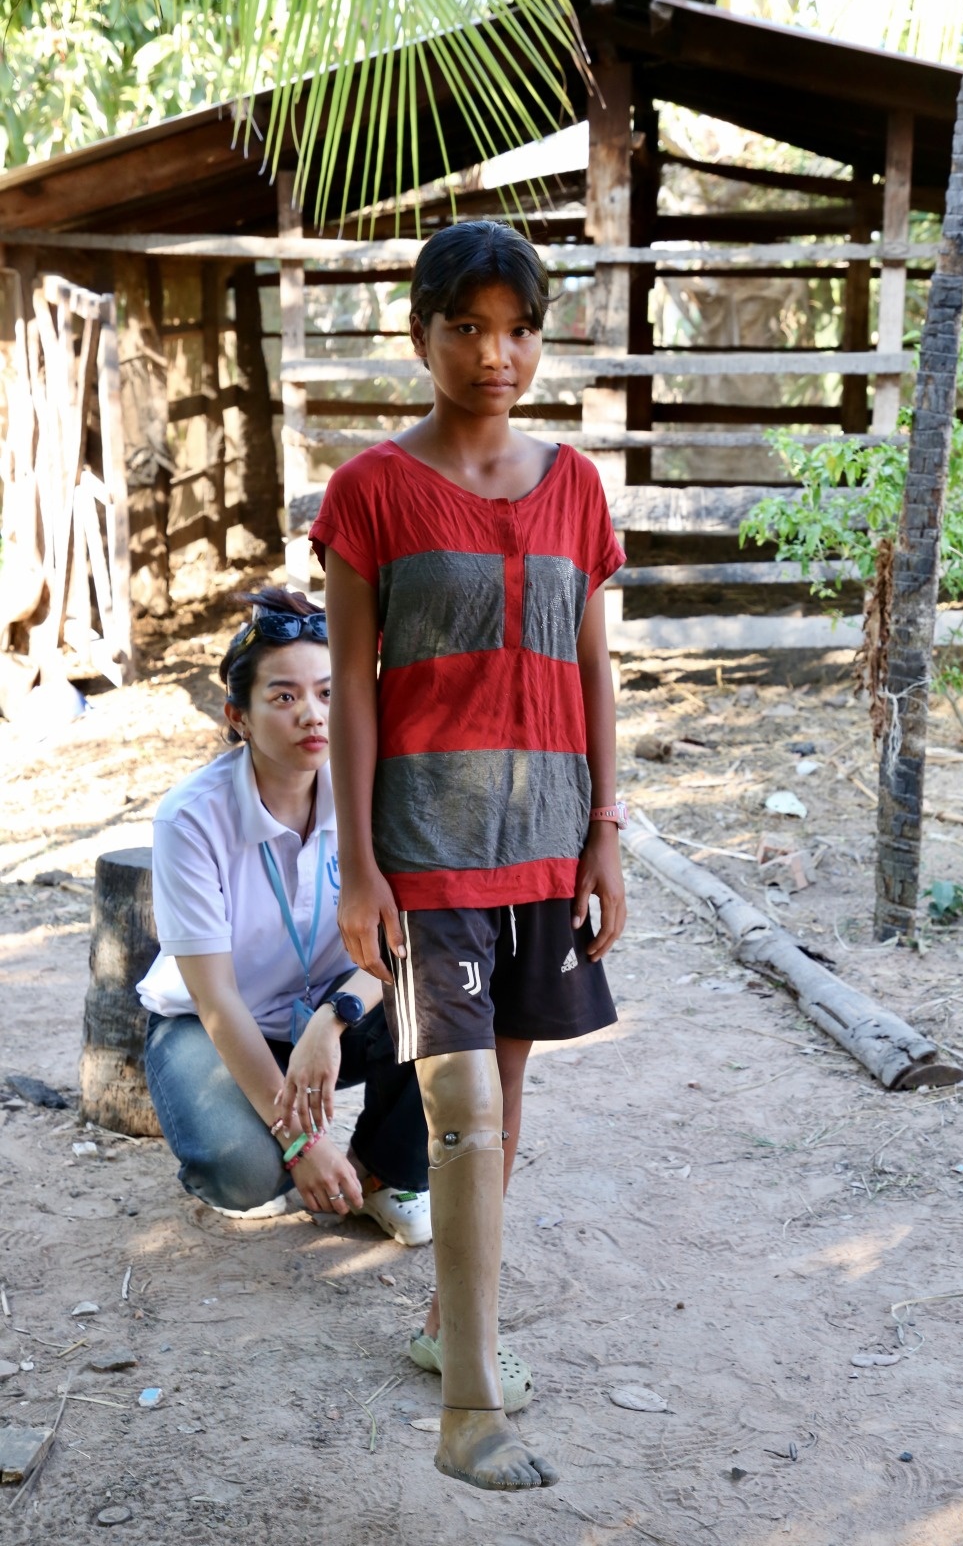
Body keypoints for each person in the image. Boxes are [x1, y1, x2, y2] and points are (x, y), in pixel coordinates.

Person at [307, 221, 627, 1491]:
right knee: (459, 1113)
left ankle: (451, 1322)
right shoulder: (370, 492)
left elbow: (594, 668)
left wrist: (604, 836)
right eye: (467, 327)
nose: (496, 354)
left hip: (546, 840)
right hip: (425, 845)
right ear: (421, 336)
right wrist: (354, 866)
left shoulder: (576, 489)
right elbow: (350, 685)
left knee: (504, 1109)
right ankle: (471, 1415)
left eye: (517, 328)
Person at [137, 587, 431, 1244]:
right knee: (242, 1175)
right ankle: (281, 1148)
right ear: (237, 717)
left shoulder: (377, 791)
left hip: (334, 1015)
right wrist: (299, 1146)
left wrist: (335, 1019)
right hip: (214, 1028)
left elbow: (405, 938)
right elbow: (215, 1003)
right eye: (283, 697)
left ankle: (383, 1172)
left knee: (448, 988)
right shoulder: (191, 818)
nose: (311, 716)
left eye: (328, 694)